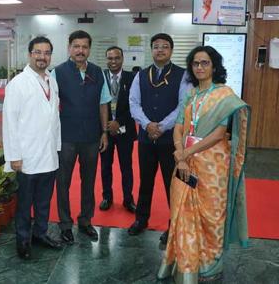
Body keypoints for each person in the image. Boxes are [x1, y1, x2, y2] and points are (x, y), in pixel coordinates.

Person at [158, 45, 250, 283]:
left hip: (212, 165)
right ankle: (187, 262)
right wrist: (180, 153)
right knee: (183, 211)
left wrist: (185, 152)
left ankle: (209, 263)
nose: (199, 67)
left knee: (212, 215)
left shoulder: (224, 95)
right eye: (195, 63)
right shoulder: (190, 95)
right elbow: (179, 126)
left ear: (214, 66)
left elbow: (220, 133)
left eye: (205, 63)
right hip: (185, 161)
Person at [128, 33, 192, 248]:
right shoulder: (141, 75)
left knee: (171, 184)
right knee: (145, 181)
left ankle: (174, 223)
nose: (160, 50)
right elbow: (134, 103)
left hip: (170, 141)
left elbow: (183, 106)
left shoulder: (183, 76)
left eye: (165, 47)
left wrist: (162, 126)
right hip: (146, 139)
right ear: (151, 50)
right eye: (156, 47)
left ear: (171, 51)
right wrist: (147, 125)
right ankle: (141, 219)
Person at [2, 36, 62, 260]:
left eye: (46, 53)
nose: (42, 57)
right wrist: (14, 156)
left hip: (48, 154)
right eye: (38, 52)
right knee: (25, 204)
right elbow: (10, 122)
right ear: (29, 54)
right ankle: (23, 240)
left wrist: (56, 146)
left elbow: (55, 118)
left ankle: (41, 234)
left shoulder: (51, 81)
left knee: (44, 201)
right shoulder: (18, 84)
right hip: (26, 156)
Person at [52, 30, 111, 243]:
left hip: (91, 137)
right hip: (66, 137)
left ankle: (85, 221)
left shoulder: (97, 72)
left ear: (89, 49)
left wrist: (104, 132)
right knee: (63, 182)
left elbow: (103, 103)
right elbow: (49, 106)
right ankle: (65, 224)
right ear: (69, 48)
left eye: (84, 47)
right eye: (76, 46)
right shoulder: (57, 72)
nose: (80, 50)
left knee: (88, 181)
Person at [99, 46, 137, 213]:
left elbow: (136, 104)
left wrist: (119, 121)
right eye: (110, 58)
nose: (113, 61)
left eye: (116, 58)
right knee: (105, 166)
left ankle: (128, 199)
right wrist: (107, 125)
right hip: (104, 132)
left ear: (122, 59)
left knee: (126, 167)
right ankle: (107, 197)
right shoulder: (100, 78)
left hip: (124, 130)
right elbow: (97, 104)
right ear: (106, 59)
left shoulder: (132, 78)